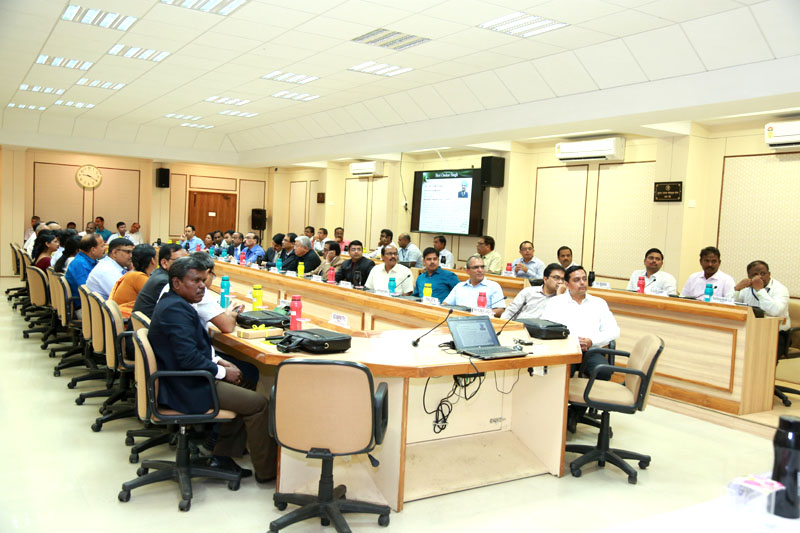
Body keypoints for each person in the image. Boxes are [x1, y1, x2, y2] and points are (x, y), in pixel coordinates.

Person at [148, 256, 277, 482]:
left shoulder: (175, 302)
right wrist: (223, 373)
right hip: (186, 385)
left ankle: (223, 454)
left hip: (183, 377)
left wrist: (218, 362)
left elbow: (192, 350)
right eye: (195, 281)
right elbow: (188, 359)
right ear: (177, 283)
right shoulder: (176, 310)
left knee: (245, 380)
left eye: (203, 280)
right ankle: (268, 473)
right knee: (259, 404)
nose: (202, 286)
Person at [542, 265, 620, 379]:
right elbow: (546, 329)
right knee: (561, 374)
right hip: (565, 349)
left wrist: (591, 341)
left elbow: (614, 331)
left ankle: (589, 391)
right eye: (576, 280)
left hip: (591, 350)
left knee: (603, 371)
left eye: (584, 279)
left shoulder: (599, 303)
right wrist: (569, 341)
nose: (582, 283)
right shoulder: (555, 303)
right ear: (567, 284)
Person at [734, 260, 791, 334]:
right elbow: (732, 306)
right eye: (755, 274)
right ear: (749, 276)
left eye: (763, 273)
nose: (759, 277)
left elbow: (775, 311)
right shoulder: (746, 288)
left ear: (769, 274)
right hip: (750, 329)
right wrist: (736, 289)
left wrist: (760, 290)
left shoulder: (780, 289)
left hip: (776, 332)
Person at [132, 244, 188, 318]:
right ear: (164, 263)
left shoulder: (159, 273)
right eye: (180, 261)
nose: (187, 265)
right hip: (148, 323)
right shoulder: (164, 281)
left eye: (188, 260)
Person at [502, 263, 567, 320]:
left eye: (563, 279)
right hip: (522, 326)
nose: (560, 282)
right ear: (545, 279)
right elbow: (510, 312)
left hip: (545, 329)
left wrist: (559, 296)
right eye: (556, 278)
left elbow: (561, 319)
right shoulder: (528, 292)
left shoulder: (565, 298)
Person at [110, 244, 157, 317]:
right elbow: (156, 300)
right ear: (152, 260)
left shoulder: (132, 274)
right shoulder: (138, 277)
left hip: (120, 318)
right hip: (127, 320)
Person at [65, 234, 105, 316]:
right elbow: (89, 291)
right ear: (93, 250)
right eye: (102, 246)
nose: (104, 249)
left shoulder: (86, 260)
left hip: (88, 304)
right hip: (84, 307)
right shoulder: (80, 264)